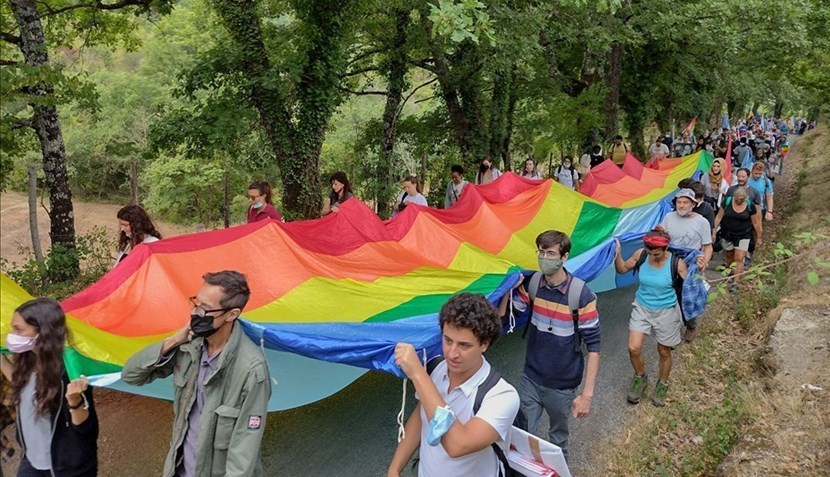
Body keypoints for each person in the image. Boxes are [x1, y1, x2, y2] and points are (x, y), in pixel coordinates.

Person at [121, 271, 271, 477]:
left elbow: (243, 453)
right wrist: (173, 341)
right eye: (196, 303)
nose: (196, 313)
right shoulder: (189, 347)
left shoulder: (252, 369)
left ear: (231, 314)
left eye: (205, 308)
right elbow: (131, 375)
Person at [387, 293, 520, 477]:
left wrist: (418, 374)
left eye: (464, 345)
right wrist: (394, 469)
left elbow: (457, 445)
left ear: (484, 344)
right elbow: (421, 415)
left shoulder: (502, 396)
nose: (452, 353)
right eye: (447, 340)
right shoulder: (435, 367)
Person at [497, 230, 600, 462]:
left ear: (564, 257)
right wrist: (505, 290)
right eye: (541, 252)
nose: (545, 257)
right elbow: (506, 317)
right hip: (530, 379)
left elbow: (594, 347)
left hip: (562, 387)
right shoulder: (532, 283)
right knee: (520, 436)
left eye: (551, 253)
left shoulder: (581, 295)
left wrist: (587, 395)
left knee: (558, 441)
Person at [1, 298, 98, 476]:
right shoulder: (27, 360)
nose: (12, 334)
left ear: (42, 331)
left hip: (65, 467)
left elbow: (85, 428)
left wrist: (74, 401)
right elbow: (20, 384)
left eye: (18, 329)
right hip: (31, 461)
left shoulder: (68, 370)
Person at [614, 229, 688, 407]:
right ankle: (640, 377)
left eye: (656, 253)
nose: (652, 256)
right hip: (642, 308)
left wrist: (699, 270)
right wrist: (616, 254)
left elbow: (694, 288)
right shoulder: (641, 255)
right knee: (633, 347)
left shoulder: (677, 264)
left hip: (666, 311)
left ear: (666, 248)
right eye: (649, 252)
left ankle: (662, 384)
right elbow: (622, 268)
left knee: (664, 351)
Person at [713, 187, 762, 293]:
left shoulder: (750, 205)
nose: (739, 201)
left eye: (742, 200)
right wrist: (713, 231)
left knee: (739, 258)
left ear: (746, 198)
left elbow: (755, 222)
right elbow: (719, 217)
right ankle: (731, 273)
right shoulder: (727, 201)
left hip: (743, 234)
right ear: (733, 197)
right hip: (728, 233)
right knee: (730, 256)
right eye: (737, 199)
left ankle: (735, 283)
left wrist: (759, 237)